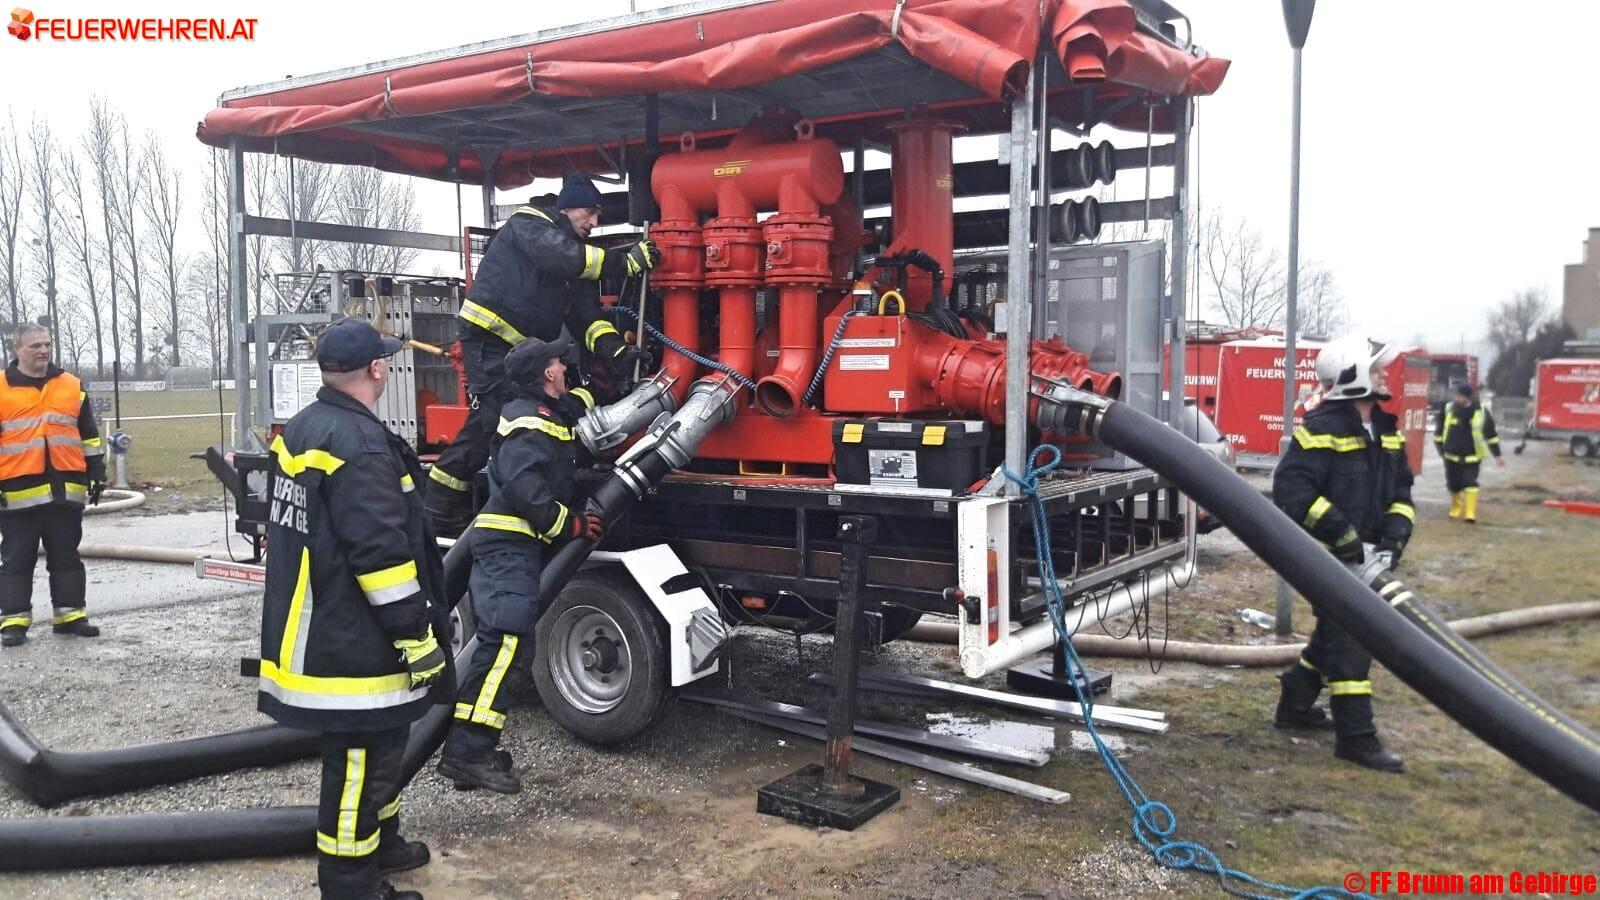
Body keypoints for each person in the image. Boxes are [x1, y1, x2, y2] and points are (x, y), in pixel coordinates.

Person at [259, 317, 453, 900]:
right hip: (352, 634)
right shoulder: (361, 444)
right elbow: (381, 558)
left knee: (385, 742)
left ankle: (384, 839)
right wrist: (416, 639)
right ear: (375, 369)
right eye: (386, 361)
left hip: (321, 623)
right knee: (357, 760)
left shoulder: (304, 427)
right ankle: (349, 884)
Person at [423, 173, 658, 535]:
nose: (594, 224)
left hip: (519, 352)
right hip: (487, 340)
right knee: (494, 420)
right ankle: (438, 503)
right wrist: (624, 262)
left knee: (500, 418)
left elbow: (587, 319)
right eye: (590, 213)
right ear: (567, 207)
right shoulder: (530, 222)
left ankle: (449, 497)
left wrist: (617, 353)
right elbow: (562, 257)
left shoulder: (575, 259)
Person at [436, 335, 602, 794]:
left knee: (511, 645)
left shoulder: (541, 413)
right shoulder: (530, 421)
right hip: (509, 544)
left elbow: (570, 417)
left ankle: (473, 749)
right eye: (559, 363)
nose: (565, 367)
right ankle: (466, 753)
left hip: (511, 544)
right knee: (505, 641)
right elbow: (523, 483)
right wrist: (567, 524)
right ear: (547, 374)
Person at [1271, 335, 1414, 773]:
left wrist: (1394, 536)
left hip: (1373, 558)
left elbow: (1402, 492)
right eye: (1375, 369)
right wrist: (1342, 535)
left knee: (1334, 635)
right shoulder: (1320, 430)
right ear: (1353, 378)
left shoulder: (1386, 431)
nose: (1384, 374)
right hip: (1331, 559)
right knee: (1354, 642)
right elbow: (1291, 491)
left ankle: (1294, 704)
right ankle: (1357, 738)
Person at [0, 324, 106, 647]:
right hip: (17, 497)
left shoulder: (71, 386)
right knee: (17, 560)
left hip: (65, 492)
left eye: (47, 344)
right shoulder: (2, 389)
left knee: (66, 556)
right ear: (17, 349)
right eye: (35, 346)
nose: (44, 351)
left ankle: (70, 615)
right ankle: (14, 621)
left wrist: (97, 471)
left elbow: (88, 434)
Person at [1434, 382, 1503, 523]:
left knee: (1470, 482)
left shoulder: (1482, 412)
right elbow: (1439, 432)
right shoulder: (1448, 409)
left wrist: (1498, 455)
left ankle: (1470, 513)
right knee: (1453, 484)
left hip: (1472, 456)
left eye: (1459, 395)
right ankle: (1456, 507)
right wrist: (1441, 450)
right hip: (1451, 456)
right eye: (1455, 395)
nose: (1456, 398)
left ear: (1467, 397)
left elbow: (1491, 435)